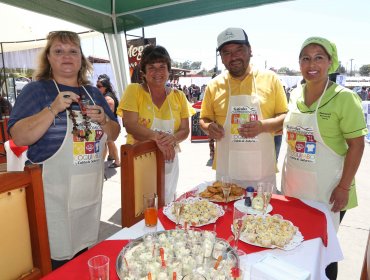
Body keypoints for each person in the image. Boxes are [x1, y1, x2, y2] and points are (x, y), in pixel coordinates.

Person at [7, 31, 120, 269]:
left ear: (81, 59)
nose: (66, 56)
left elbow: (115, 132)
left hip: (88, 193)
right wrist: (52, 109)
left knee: (82, 255)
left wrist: (104, 121)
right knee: (56, 262)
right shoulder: (37, 91)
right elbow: (18, 134)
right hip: (52, 196)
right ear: (48, 58)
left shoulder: (93, 94)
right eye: (58, 51)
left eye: (73, 51)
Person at [280, 37, 367, 279]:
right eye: (305, 58)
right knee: (295, 243)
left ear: (330, 62)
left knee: (323, 249)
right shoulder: (296, 93)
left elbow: (357, 145)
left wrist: (343, 187)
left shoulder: (344, 98)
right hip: (295, 187)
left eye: (319, 57)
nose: (311, 63)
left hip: (328, 190)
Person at [199, 27, 288, 188]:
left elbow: (285, 117)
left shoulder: (271, 79)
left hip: (262, 173)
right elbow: (203, 119)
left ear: (250, 50)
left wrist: (262, 126)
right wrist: (208, 127)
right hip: (227, 172)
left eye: (239, 50)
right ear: (221, 57)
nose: (233, 57)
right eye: (226, 53)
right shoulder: (214, 85)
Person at [117, 45, 195, 204]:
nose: (157, 72)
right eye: (151, 67)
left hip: (169, 159)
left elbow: (185, 130)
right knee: (141, 207)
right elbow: (130, 125)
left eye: (162, 67)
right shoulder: (134, 91)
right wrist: (158, 138)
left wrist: (172, 139)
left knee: (166, 203)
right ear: (143, 72)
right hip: (140, 159)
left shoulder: (178, 96)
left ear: (168, 71)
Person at [96, 74, 121, 168]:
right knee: (108, 142)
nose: (97, 88)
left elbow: (108, 115)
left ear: (105, 87)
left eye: (99, 86)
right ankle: (111, 156)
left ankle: (118, 161)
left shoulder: (108, 99)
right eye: (96, 86)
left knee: (109, 142)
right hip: (110, 124)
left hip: (110, 125)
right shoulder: (106, 96)